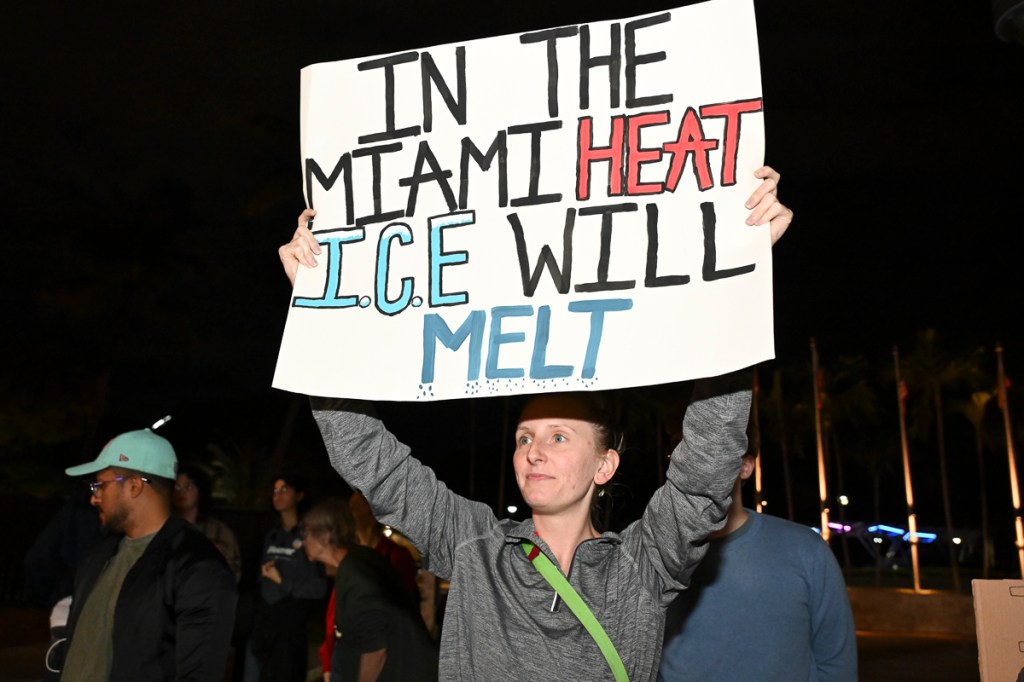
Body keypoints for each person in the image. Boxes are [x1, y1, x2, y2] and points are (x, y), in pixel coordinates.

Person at [278, 167, 792, 680]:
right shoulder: (472, 546)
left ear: (605, 464)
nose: (533, 451)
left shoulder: (643, 566)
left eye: (559, 437)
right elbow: (372, 462)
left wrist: (738, 285)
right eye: (525, 437)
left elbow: (706, 468)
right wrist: (318, 313)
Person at [658, 413, 857, 682]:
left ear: (746, 465)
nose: (696, 463)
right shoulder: (652, 555)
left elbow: (837, 665)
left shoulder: (805, 552)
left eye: (713, 448)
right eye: (684, 449)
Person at [55, 429, 237, 681]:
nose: (94, 498)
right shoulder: (99, 555)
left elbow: (199, 673)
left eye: (99, 486)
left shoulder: (197, 567)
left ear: (134, 486)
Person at [304, 498, 438, 682]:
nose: (304, 540)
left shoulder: (355, 572)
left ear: (326, 535)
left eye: (307, 533)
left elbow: (376, 645)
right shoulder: (358, 560)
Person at [245, 474, 327, 682]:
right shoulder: (270, 534)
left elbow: (318, 587)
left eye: (284, 489)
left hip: (289, 628)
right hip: (263, 623)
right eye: (274, 490)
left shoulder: (310, 535)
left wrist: (282, 580)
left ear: (299, 495)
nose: (277, 495)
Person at [172, 462, 243, 582]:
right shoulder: (164, 526)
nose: (182, 492)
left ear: (200, 491)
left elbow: (234, 572)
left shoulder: (220, 531)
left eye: (189, 487)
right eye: (177, 487)